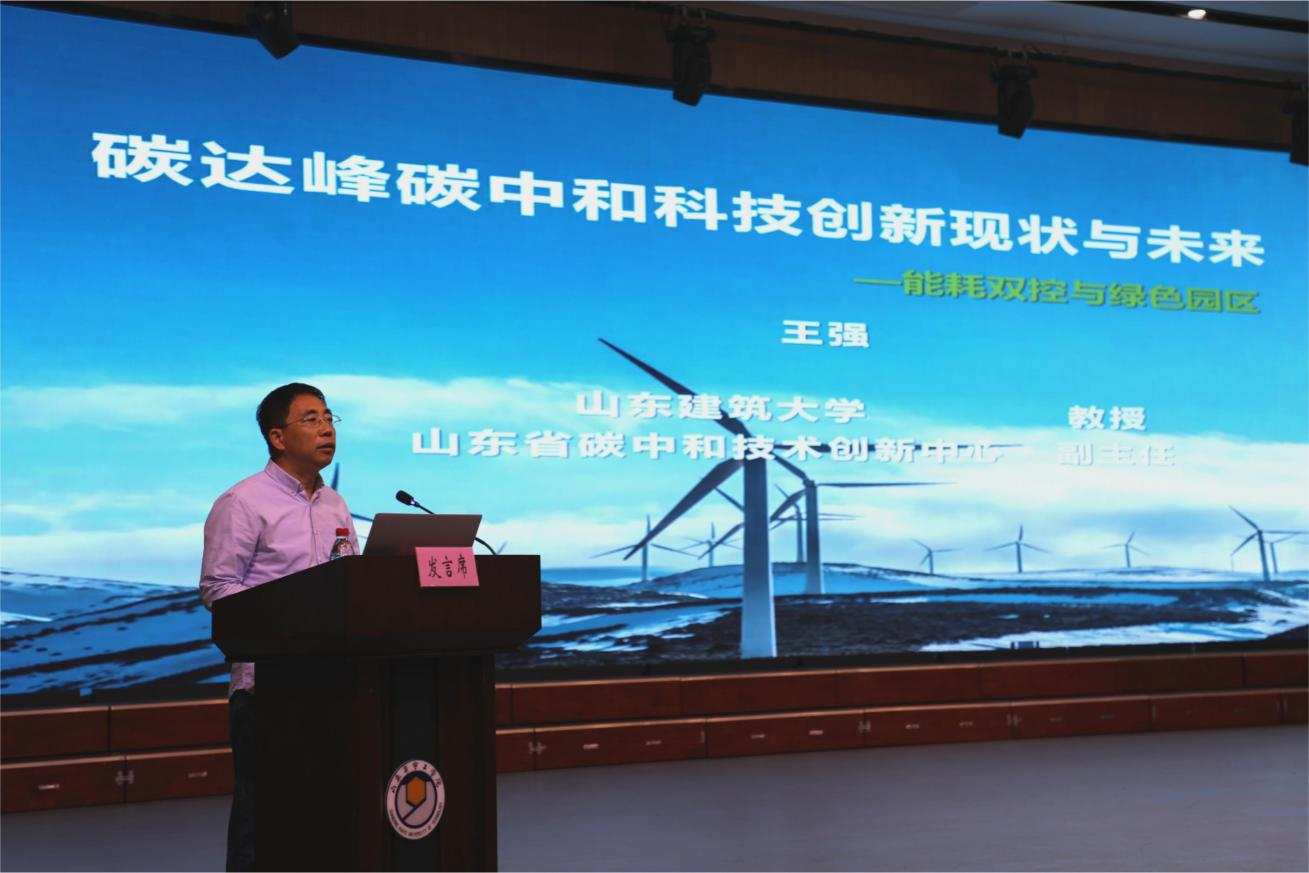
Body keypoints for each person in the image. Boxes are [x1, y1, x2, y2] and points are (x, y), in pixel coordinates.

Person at [199, 383, 359, 872]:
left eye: (329, 417)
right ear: (277, 437)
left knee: (328, 810)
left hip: (335, 678)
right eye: (310, 419)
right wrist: (286, 618)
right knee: (263, 815)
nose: (326, 428)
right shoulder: (243, 501)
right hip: (268, 684)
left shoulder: (335, 505)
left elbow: (353, 582)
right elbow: (218, 587)